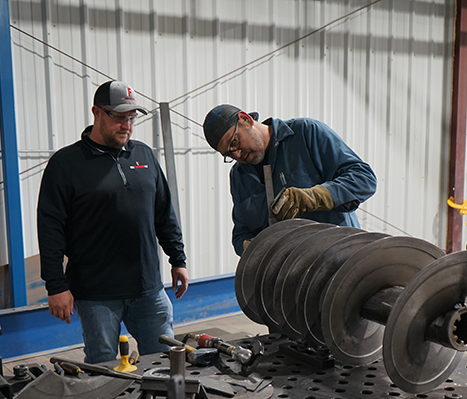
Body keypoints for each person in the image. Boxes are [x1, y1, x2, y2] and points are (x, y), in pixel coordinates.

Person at [37, 80, 189, 363]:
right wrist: (55, 285)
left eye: (132, 118)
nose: (127, 126)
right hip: (96, 294)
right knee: (104, 368)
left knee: (164, 364)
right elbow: (50, 228)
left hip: (148, 290)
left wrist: (177, 259)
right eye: (119, 118)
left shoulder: (143, 155)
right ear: (96, 113)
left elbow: (164, 212)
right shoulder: (66, 164)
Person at [203, 104, 377, 255]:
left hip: (341, 258)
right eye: (229, 154)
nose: (237, 154)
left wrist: (317, 196)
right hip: (292, 276)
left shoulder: (306, 133)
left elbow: (364, 178)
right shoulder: (239, 177)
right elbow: (241, 234)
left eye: (234, 143)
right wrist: (251, 247)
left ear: (246, 119)